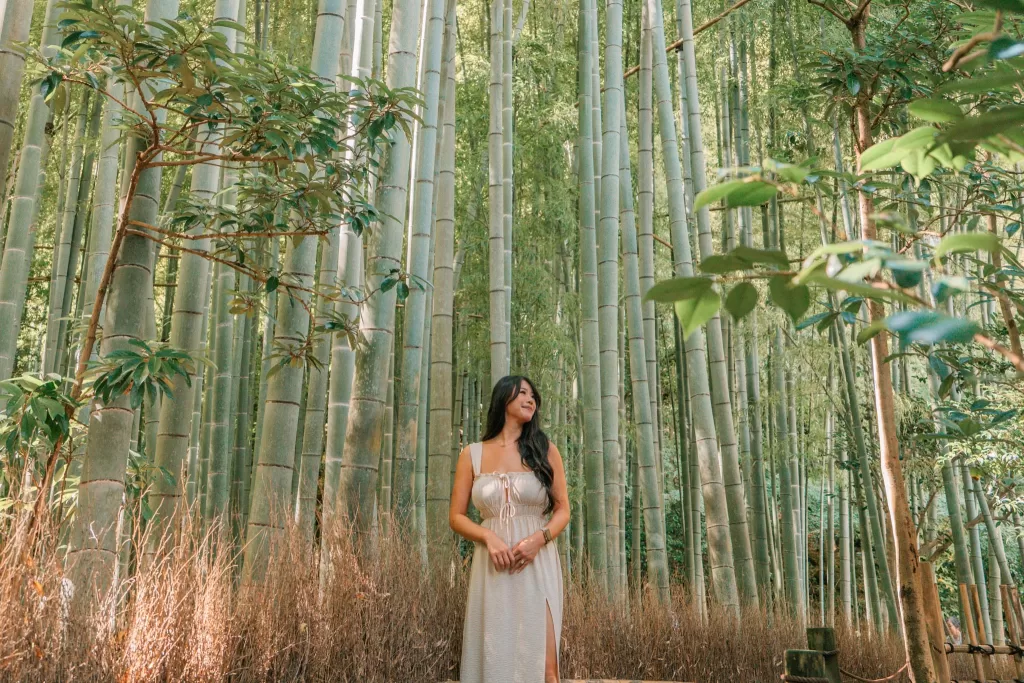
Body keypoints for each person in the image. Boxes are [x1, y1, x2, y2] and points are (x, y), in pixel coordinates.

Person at [450, 375, 570, 683]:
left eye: (534, 395)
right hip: (491, 566)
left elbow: (563, 510)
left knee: (545, 668)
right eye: (523, 393)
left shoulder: (545, 449)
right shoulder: (472, 454)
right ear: (504, 398)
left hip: (537, 561)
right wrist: (489, 535)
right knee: (495, 660)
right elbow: (456, 516)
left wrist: (538, 540)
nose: (531, 399)